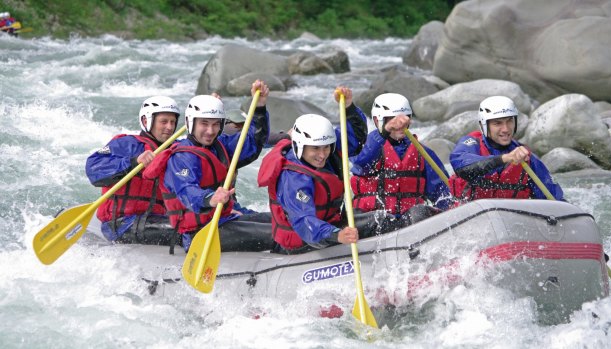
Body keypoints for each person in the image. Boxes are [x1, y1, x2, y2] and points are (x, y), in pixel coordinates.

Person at [258, 86, 399, 254]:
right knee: (379, 222)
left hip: (329, 224)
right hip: (303, 240)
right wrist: (337, 235)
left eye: (326, 148)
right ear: (299, 146)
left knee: (383, 218)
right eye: (315, 149)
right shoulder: (293, 179)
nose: (322, 155)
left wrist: (349, 107)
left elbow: (355, 139)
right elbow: (304, 222)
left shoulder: (328, 149)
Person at [143, 80, 273, 253]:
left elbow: (253, 142)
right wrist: (210, 198)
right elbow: (187, 191)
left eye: (215, 124)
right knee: (276, 233)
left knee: (283, 222)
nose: (210, 131)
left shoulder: (220, 145)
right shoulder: (181, 157)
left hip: (223, 219)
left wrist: (259, 108)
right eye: (204, 123)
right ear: (191, 123)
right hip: (199, 233)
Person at [85, 96, 180, 244]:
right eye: (164, 121)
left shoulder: (177, 150)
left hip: (157, 219)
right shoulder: (125, 144)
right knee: (184, 230)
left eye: (173, 122)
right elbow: (94, 170)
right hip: (122, 224)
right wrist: (133, 162)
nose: (169, 127)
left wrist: (207, 117)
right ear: (145, 121)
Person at [350, 93, 453, 223]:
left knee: (421, 212)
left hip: (407, 222)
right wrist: (385, 131)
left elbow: (442, 194)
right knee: (374, 219)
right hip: (373, 221)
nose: (398, 124)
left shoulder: (423, 153)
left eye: (403, 119)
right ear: (377, 121)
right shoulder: (366, 147)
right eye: (391, 119)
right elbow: (360, 164)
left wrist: (452, 212)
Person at [449, 95, 564, 201]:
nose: (505, 129)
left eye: (509, 121)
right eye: (497, 123)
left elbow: (555, 200)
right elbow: (462, 167)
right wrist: (504, 159)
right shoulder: (471, 144)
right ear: (483, 125)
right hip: (470, 216)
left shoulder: (525, 158)